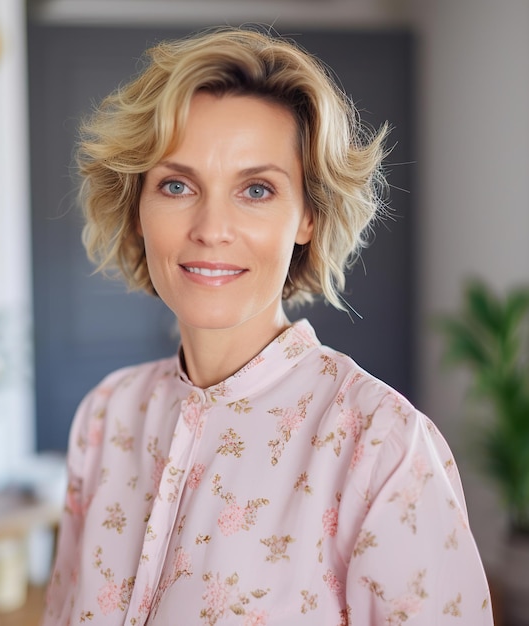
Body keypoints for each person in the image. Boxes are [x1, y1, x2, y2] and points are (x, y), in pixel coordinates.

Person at [43, 27, 493, 626]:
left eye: (256, 189)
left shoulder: (381, 448)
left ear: (307, 215)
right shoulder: (105, 419)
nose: (212, 227)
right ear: (138, 204)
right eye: (177, 185)